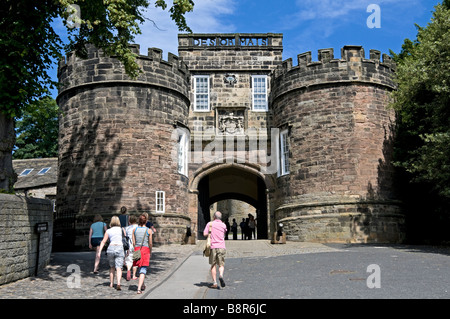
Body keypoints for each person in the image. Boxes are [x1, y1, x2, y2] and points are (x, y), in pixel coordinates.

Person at [97, 216, 126, 290]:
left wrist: (99, 251)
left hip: (111, 248)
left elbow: (103, 241)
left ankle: (111, 283)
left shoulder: (108, 231)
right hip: (119, 247)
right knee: (119, 267)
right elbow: (125, 240)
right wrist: (127, 250)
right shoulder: (122, 229)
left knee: (112, 267)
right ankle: (118, 283)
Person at [203, 211, 227, 289]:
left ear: (214, 217)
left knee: (213, 265)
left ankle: (215, 282)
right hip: (221, 247)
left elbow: (204, 234)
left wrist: (210, 232)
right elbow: (224, 233)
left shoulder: (210, 224)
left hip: (213, 247)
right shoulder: (223, 225)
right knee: (221, 264)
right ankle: (221, 275)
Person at [132, 214, 152, 294]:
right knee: (143, 269)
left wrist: (136, 249)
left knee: (140, 267)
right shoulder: (148, 230)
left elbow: (134, 242)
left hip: (137, 249)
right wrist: (150, 250)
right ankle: (139, 289)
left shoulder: (134, 230)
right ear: (146, 221)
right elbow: (150, 243)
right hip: (145, 250)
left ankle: (142, 285)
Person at [124, 215, 138, 281]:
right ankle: (134, 275)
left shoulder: (127, 228)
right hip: (136, 245)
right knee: (135, 259)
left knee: (129, 259)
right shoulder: (138, 227)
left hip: (128, 245)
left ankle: (128, 270)